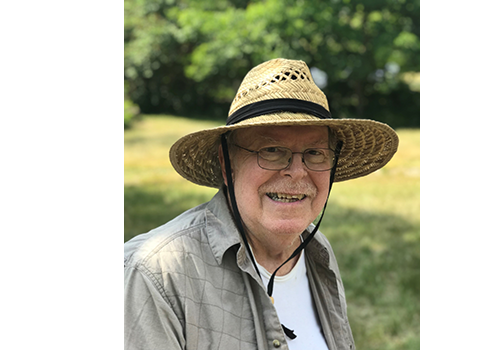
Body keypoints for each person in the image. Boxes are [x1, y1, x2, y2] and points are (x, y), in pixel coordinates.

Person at [124, 58, 399, 350]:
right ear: (226, 162)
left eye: (315, 152)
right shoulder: (156, 274)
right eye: (271, 150)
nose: (297, 171)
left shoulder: (317, 251)